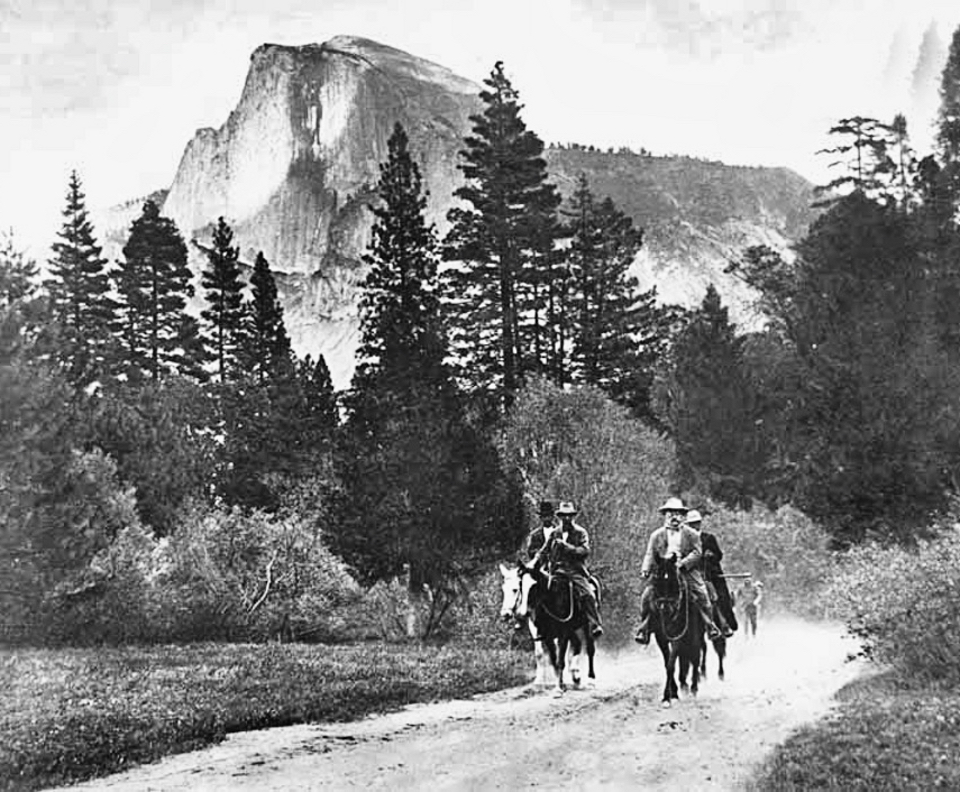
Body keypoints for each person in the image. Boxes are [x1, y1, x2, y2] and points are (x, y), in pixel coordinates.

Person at [634, 497, 732, 645]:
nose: (674, 516)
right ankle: (644, 629)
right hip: (662, 571)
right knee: (647, 597)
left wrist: (683, 564)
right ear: (665, 515)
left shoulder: (691, 534)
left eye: (677, 513)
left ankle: (710, 625)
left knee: (703, 595)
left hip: (687, 571)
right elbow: (649, 553)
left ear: (682, 515)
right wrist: (645, 569)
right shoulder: (656, 535)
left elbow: (697, 552)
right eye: (670, 513)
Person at [531, 500, 603, 638]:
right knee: (541, 593)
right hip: (558, 572)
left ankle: (594, 623)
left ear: (573, 517)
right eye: (564, 515)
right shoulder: (555, 533)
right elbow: (543, 551)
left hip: (576, 571)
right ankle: (541, 627)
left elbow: (584, 551)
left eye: (569, 515)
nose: (567, 518)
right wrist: (534, 561)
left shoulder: (580, 532)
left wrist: (566, 547)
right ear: (559, 517)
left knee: (588, 594)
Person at [685, 509, 737, 635]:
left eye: (696, 523)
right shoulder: (684, 540)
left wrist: (711, 556)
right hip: (690, 574)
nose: (694, 526)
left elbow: (719, 555)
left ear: (700, 523)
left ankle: (724, 623)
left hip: (709, 574)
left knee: (718, 597)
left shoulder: (709, 538)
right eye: (691, 524)